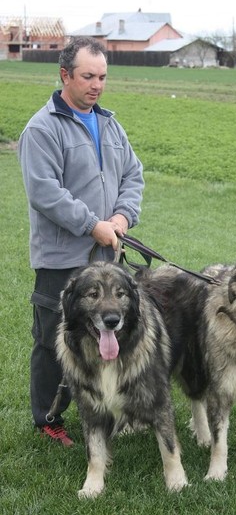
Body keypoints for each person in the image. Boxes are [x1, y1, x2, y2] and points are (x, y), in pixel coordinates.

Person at [19, 36, 144, 446]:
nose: (97, 85)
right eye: (88, 76)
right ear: (65, 75)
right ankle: (49, 418)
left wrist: (123, 217)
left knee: (107, 335)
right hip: (61, 259)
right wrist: (94, 225)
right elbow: (45, 192)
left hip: (107, 257)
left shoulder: (110, 123)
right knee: (55, 340)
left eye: (103, 76)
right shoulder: (42, 128)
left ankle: (104, 409)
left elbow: (132, 175)